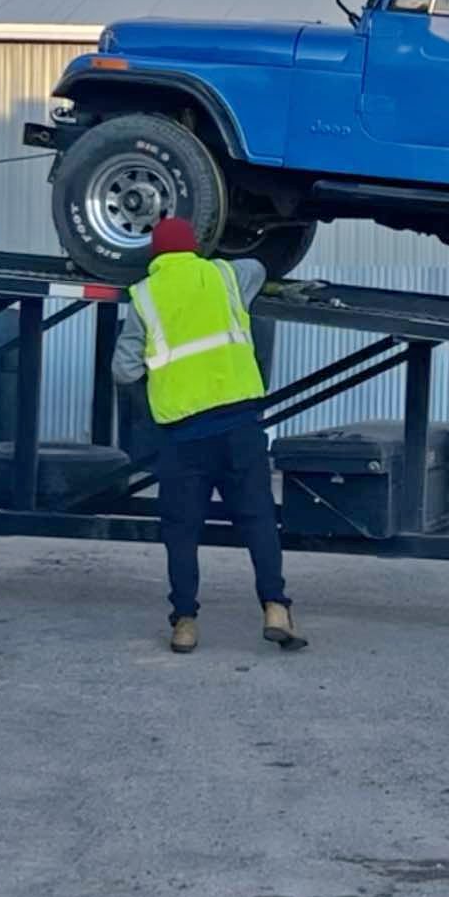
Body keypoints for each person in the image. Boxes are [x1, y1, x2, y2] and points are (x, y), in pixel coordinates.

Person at [112, 217, 307, 656]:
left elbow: (123, 370)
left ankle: (185, 622)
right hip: (240, 426)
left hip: (185, 436)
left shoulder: (145, 295)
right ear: (194, 248)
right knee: (258, 520)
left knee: (182, 530)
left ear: (155, 256)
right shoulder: (225, 275)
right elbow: (259, 268)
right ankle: (276, 608)